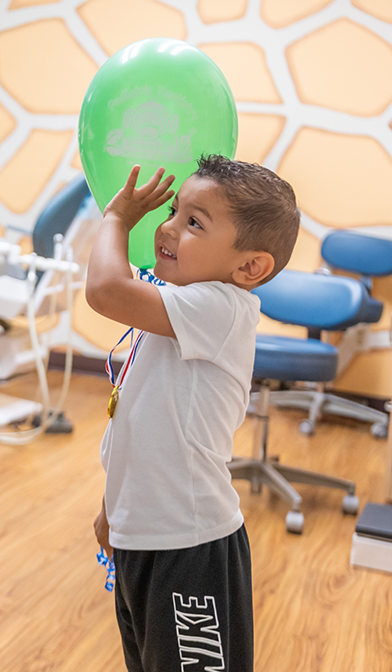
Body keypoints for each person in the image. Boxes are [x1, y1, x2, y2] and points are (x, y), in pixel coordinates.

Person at [86, 154, 300, 672]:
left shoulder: (221, 307)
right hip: (145, 538)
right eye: (175, 211)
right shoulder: (179, 304)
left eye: (194, 222)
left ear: (249, 267)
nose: (168, 228)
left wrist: (116, 219)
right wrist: (112, 511)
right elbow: (142, 425)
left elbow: (105, 290)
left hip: (190, 547)